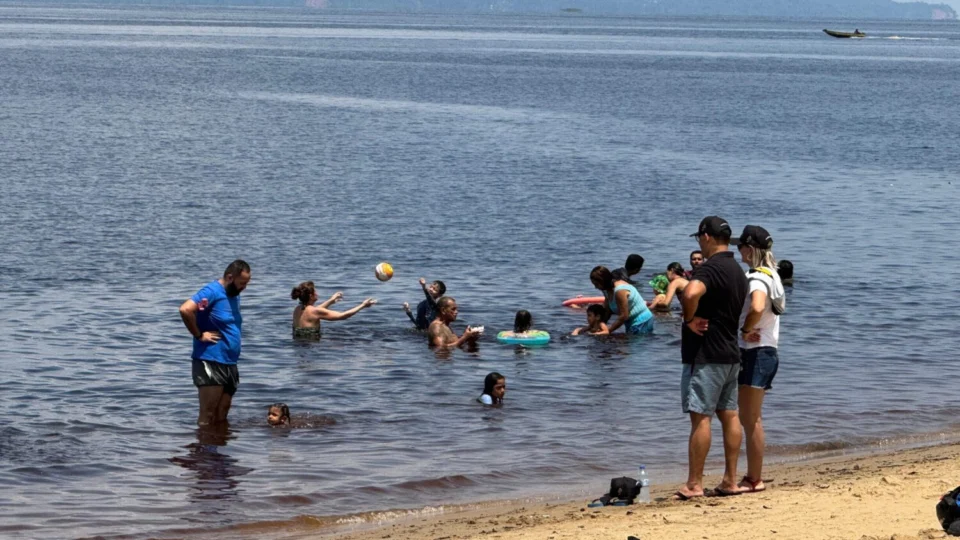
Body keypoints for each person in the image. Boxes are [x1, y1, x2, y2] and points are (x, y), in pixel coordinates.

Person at [676, 216, 747, 500]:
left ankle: (694, 484)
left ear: (705, 237)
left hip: (706, 355)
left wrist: (689, 318)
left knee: (701, 419)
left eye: (698, 239)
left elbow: (691, 292)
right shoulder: (737, 270)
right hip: (731, 353)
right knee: (730, 416)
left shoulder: (710, 268)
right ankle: (730, 480)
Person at [734, 225, 785, 494]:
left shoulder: (756, 277)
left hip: (756, 351)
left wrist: (744, 330)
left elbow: (755, 306)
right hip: (768, 351)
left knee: (750, 419)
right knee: (752, 417)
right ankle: (754, 475)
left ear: (750, 249)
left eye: (741, 246)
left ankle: (754, 478)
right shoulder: (773, 274)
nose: (738, 251)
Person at [179, 260, 251, 426]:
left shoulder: (233, 294)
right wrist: (199, 335)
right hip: (210, 360)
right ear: (230, 277)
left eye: (247, 284)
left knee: (222, 414)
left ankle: (218, 449)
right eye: (242, 283)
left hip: (229, 361)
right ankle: (202, 451)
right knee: (208, 414)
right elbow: (185, 309)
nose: (244, 288)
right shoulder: (212, 291)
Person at [291, 281, 377, 339]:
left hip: (298, 343)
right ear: (311, 296)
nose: (317, 293)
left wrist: (331, 301)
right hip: (311, 345)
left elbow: (316, 311)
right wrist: (363, 305)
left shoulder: (297, 309)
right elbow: (343, 315)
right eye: (315, 292)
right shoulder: (314, 311)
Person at [590, 266, 654, 334]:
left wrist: (608, 331)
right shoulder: (606, 290)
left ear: (604, 281)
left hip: (641, 321)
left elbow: (624, 316)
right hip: (630, 321)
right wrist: (598, 326)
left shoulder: (620, 290)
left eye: (596, 284)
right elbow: (607, 311)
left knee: (634, 343)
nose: (595, 287)